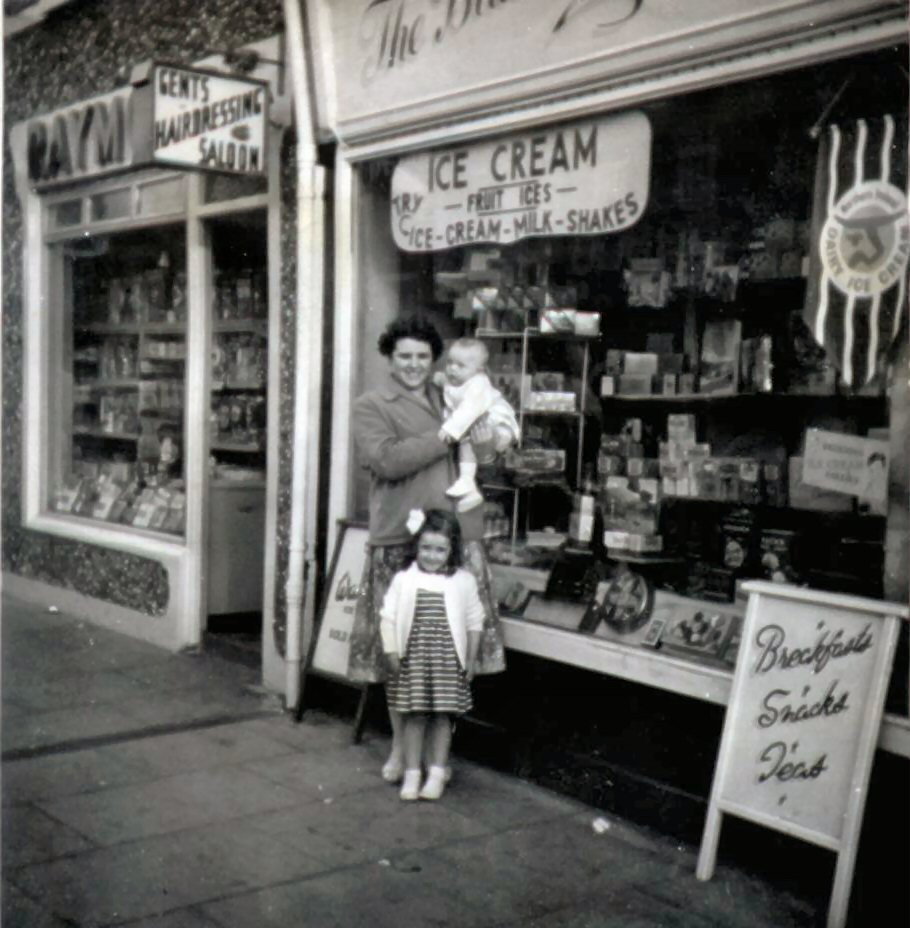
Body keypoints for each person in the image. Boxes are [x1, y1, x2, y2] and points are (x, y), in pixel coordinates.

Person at [347, 316, 509, 786]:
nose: (415, 365)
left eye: (423, 356)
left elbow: (488, 449)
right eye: (404, 356)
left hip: (455, 535)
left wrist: (486, 438)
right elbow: (388, 460)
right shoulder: (372, 404)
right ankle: (402, 747)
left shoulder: (452, 394)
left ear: (434, 358)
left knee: (449, 652)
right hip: (402, 536)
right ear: (390, 358)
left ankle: (437, 755)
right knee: (404, 653)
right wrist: (446, 436)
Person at [381, 509, 482, 800]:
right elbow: (388, 617)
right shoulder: (404, 579)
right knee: (415, 716)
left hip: (448, 663)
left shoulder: (463, 581)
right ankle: (412, 773)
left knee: (442, 718)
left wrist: (472, 660)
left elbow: (475, 622)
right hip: (414, 661)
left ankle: (436, 772)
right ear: (416, 547)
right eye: (426, 548)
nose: (432, 556)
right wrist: (392, 652)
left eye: (440, 550)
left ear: (452, 550)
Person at [435, 338, 520, 512]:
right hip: (480, 425)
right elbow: (449, 391)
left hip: (498, 422)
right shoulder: (456, 381)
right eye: (450, 362)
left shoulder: (478, 383)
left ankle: (468, 481)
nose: (452, 368)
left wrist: (449, 429)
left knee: (477, 437)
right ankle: (469, 486)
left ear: (478, 370)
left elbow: (468, 409)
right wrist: (438, 378)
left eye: (461, 365)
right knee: (468, 442)